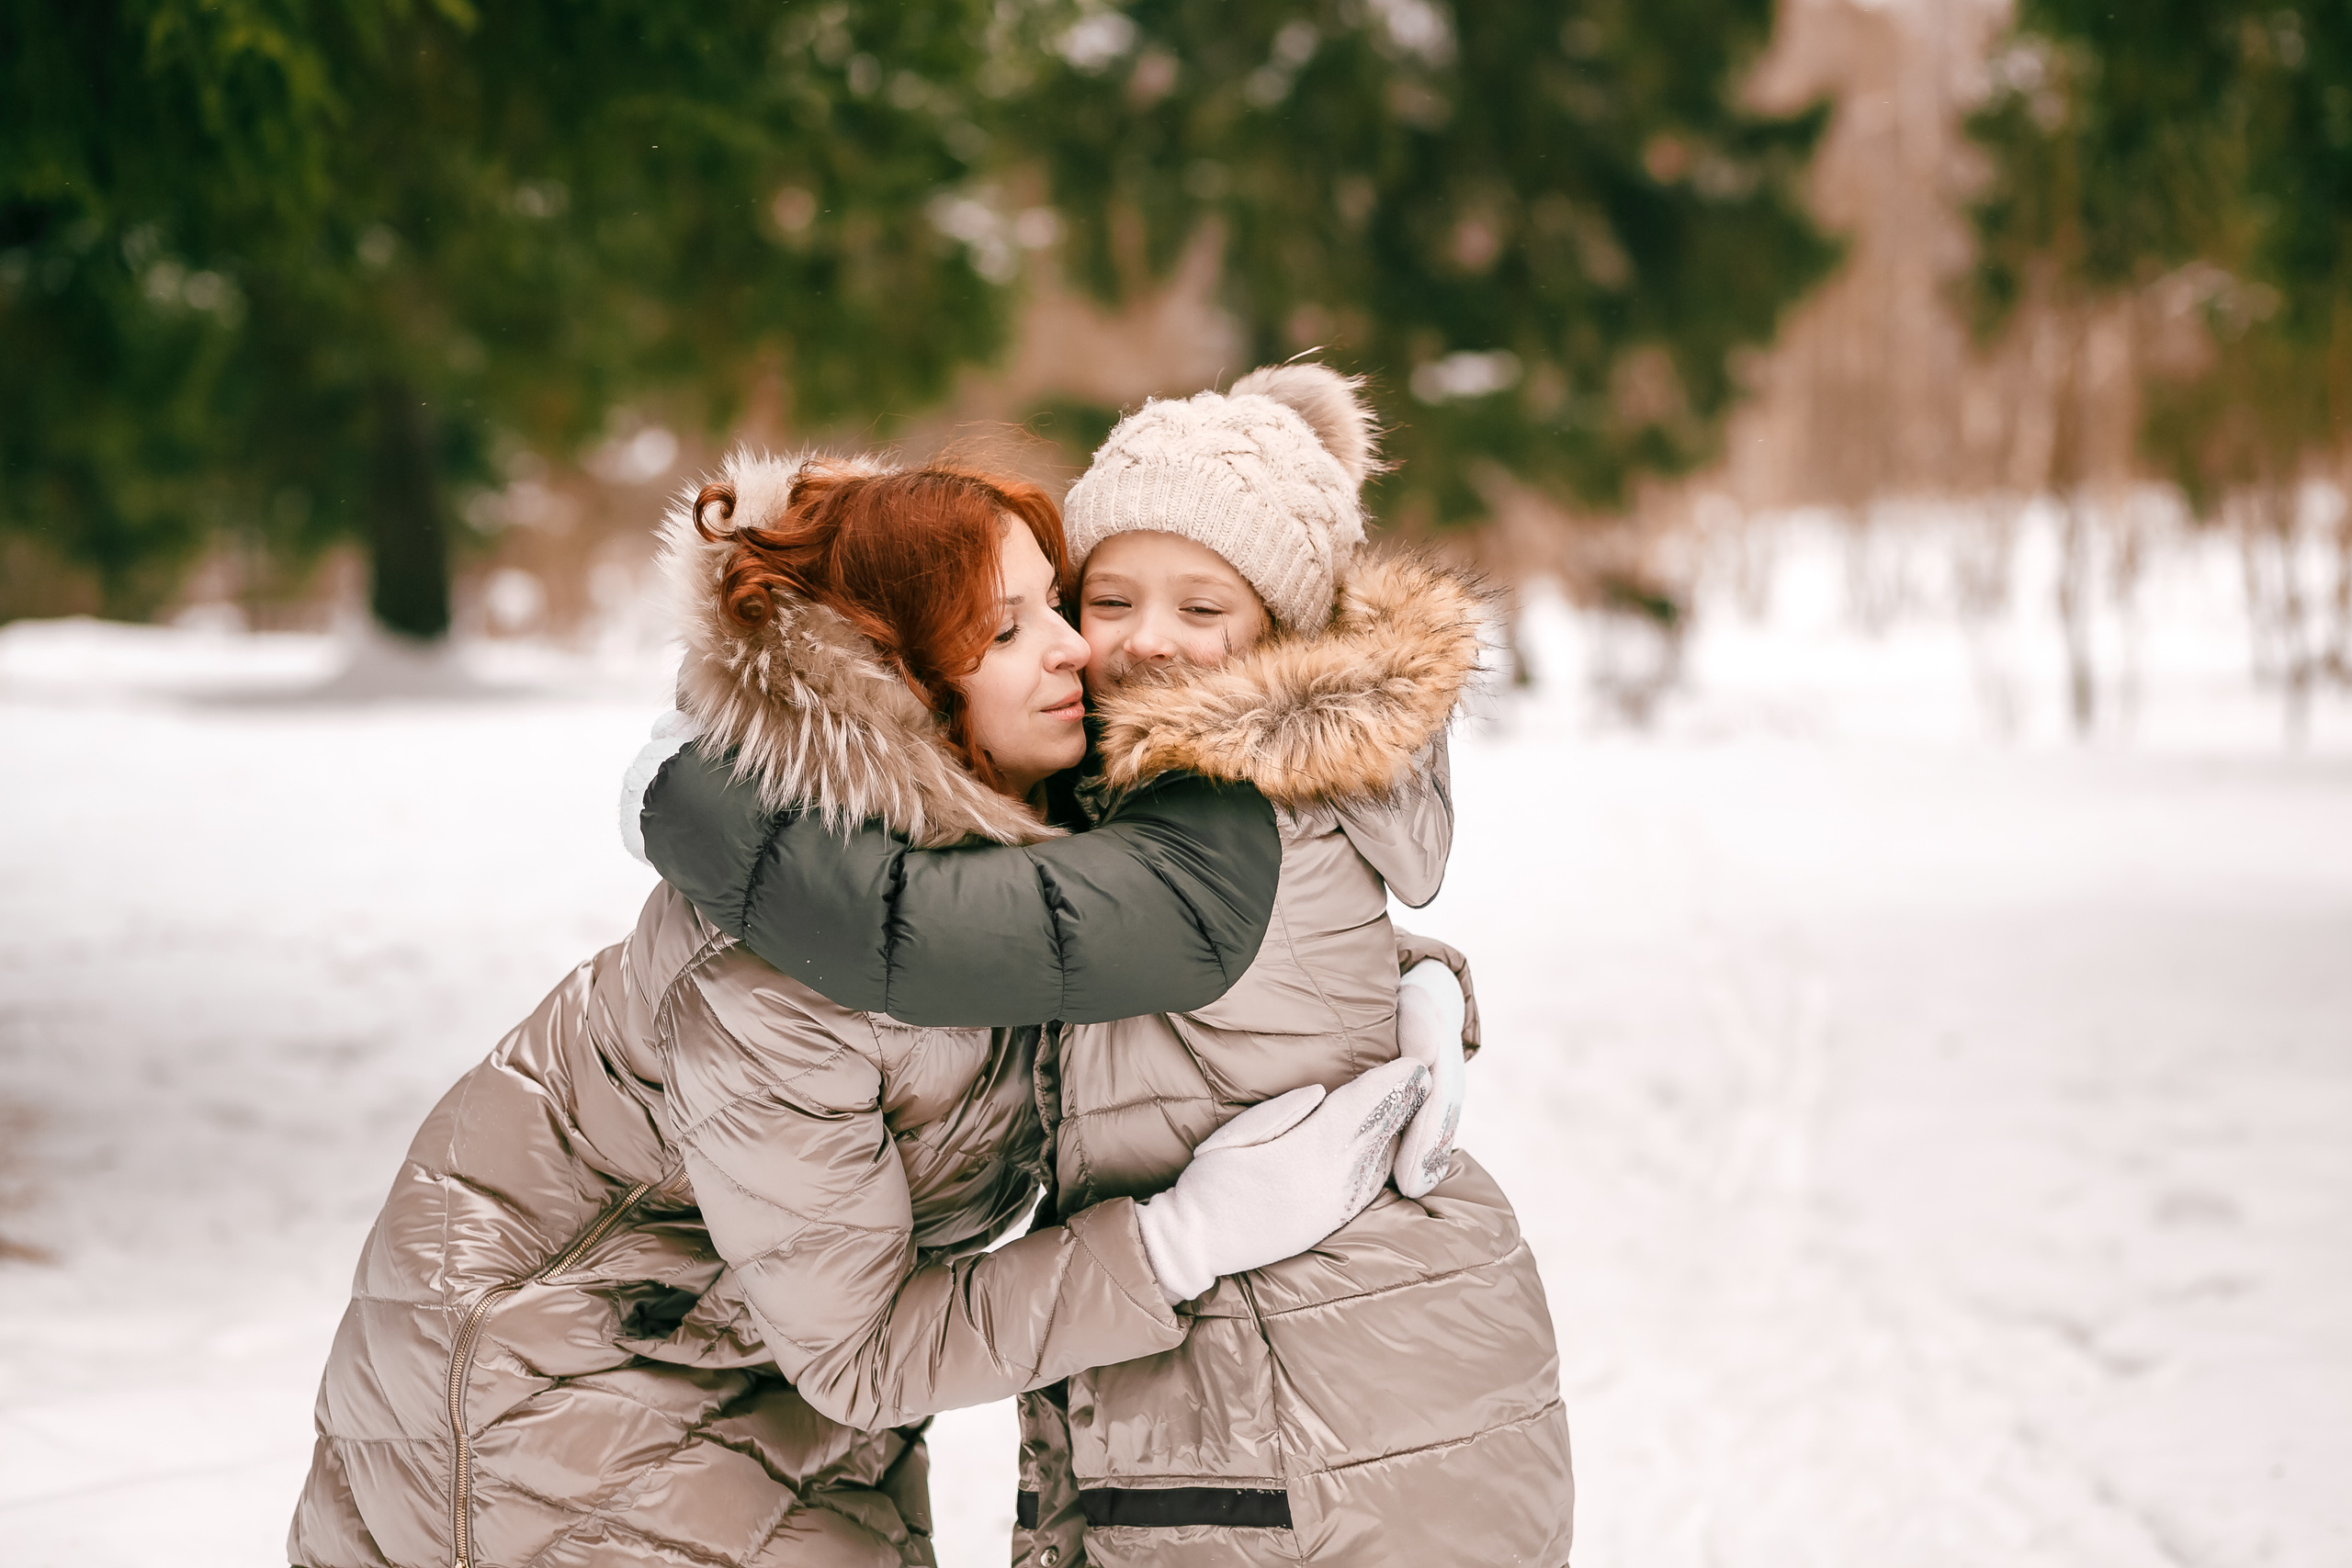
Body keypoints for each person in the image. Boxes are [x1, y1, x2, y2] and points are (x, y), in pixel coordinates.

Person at [288, 458, 1431, 1568]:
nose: (1077, 646)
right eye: (1004, 631)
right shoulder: (778, 988)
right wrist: (1181, 1241)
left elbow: (1133, 937)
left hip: (774, 1371)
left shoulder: (1014, 825)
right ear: (894, 681)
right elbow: (863, 1348)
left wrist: (1417, 986)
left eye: (1054, 603)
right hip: (562, 1390)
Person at [640, 367, 1574, 1568]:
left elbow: (914, 923)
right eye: (1111, 594)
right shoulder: (1164, 802)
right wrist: (1423, 980)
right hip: (1317, 1355)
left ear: (1283, 629)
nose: (1137, 639)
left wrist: (700, 790)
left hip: (1299, 1383)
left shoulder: (1216, 812)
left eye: (1204, 609)